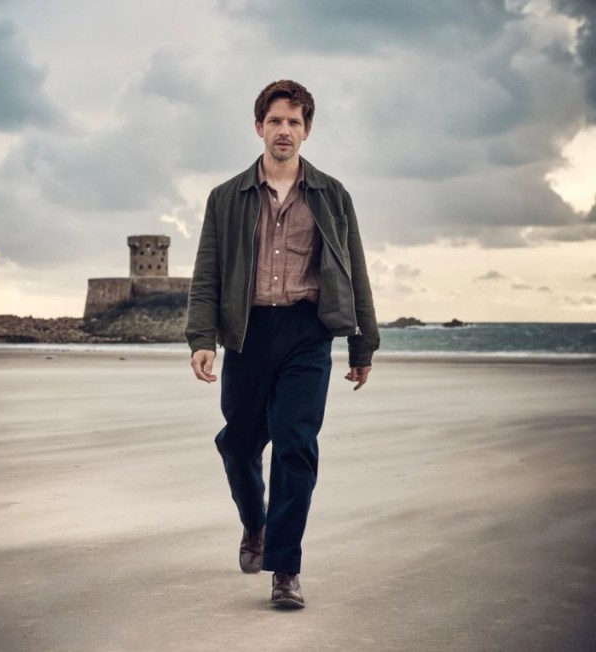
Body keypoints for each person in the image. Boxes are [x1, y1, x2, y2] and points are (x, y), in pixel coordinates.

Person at [185, 79, 379, 609]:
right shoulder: (225, 198)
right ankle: (256, 522)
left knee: (296, 447)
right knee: (240, 446)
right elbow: (207, 275)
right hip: (247, 335)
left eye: (295, 122)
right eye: (275, 121)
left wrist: (363, 346)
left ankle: (285, 569)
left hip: (307, 334)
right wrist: (202, 338)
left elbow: (354, 270)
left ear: (307, 130)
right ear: (259, 127)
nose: (284, 130)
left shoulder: (332, 195)